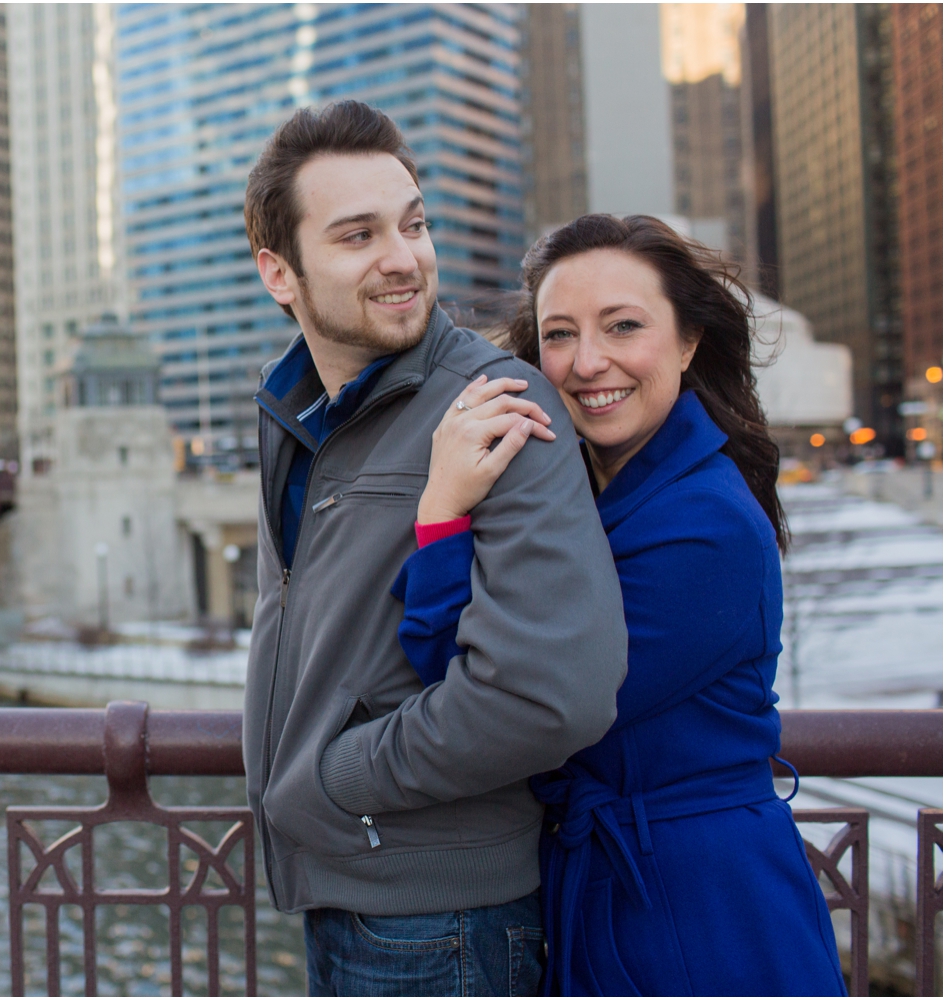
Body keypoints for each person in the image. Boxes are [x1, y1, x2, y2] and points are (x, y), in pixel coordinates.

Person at [399, 214, 847, 995]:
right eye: (560, 334)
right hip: (600, 875)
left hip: (697, 903)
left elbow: (501, 701)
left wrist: (444, 515)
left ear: (687, 342)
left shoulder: (707, 527)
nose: (587, 362)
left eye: (624, 326)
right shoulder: (569, 495)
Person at [241, 101, 627, 997]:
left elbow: (548, 694)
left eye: (413, 224)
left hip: (446, 920)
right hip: (340, 890)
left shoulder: (498, 404)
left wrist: (335, 781)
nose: (403, 257)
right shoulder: (293, 414)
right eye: (357, 235)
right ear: (279, 272)